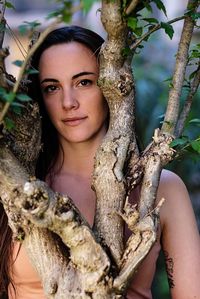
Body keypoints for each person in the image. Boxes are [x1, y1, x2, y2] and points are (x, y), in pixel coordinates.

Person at [0, 25, 200, 299]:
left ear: (112, 86)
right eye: (52, 87)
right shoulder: (14, 185)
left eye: (84, 82)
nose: (68, 102)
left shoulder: (162, 189)